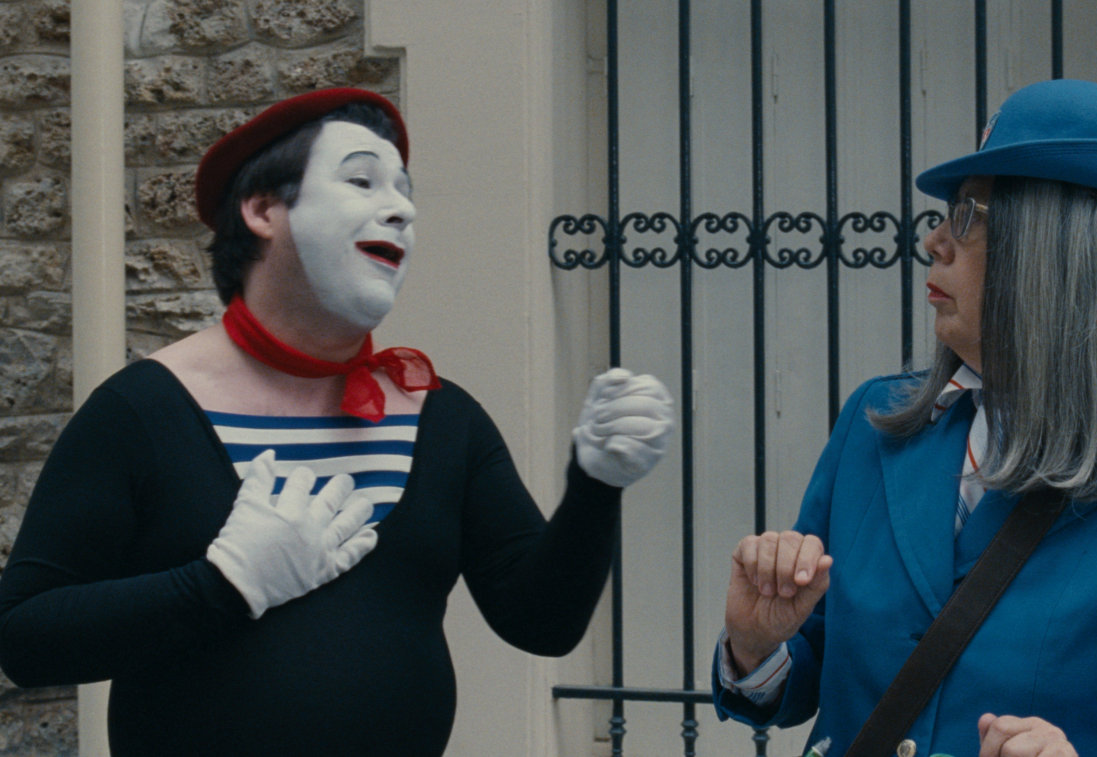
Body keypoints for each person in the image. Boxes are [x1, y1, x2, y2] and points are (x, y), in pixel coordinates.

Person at [0, 88, 675, 756]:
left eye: (406, 190)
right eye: (361, 180)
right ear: (263, 209)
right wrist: (223, 584)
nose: (402, 209)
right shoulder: (141, 411)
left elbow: (542, 623)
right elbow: (25, 639)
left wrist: (595, 485)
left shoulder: (445, 418)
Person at [713, 79, 1097, 757]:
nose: (935, 240)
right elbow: (808, 674)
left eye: (968, 215)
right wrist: (755, 644)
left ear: (1062, 248)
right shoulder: (876, 423)